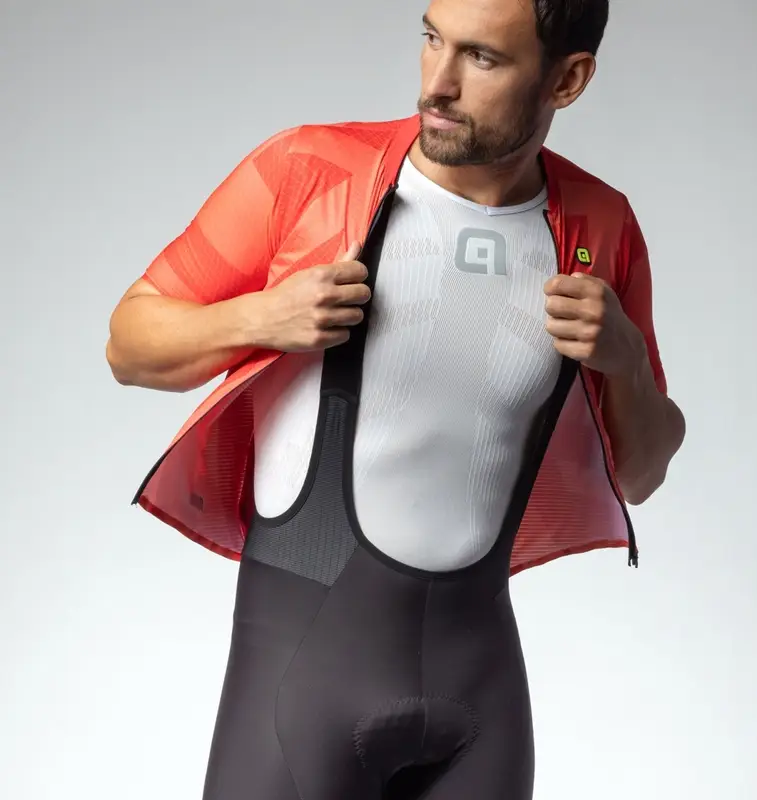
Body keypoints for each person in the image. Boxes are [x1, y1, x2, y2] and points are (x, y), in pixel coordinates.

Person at [106, 0, 686, 797]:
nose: (437, 84)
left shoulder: (598, 223)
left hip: (480, 706)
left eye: (482, 58)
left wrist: (626, 363)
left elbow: (642, 474)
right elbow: (129, 344)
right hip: (300, 688)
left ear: (568, 79)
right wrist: (260, 318)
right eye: (431, 39)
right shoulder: (311, 171)